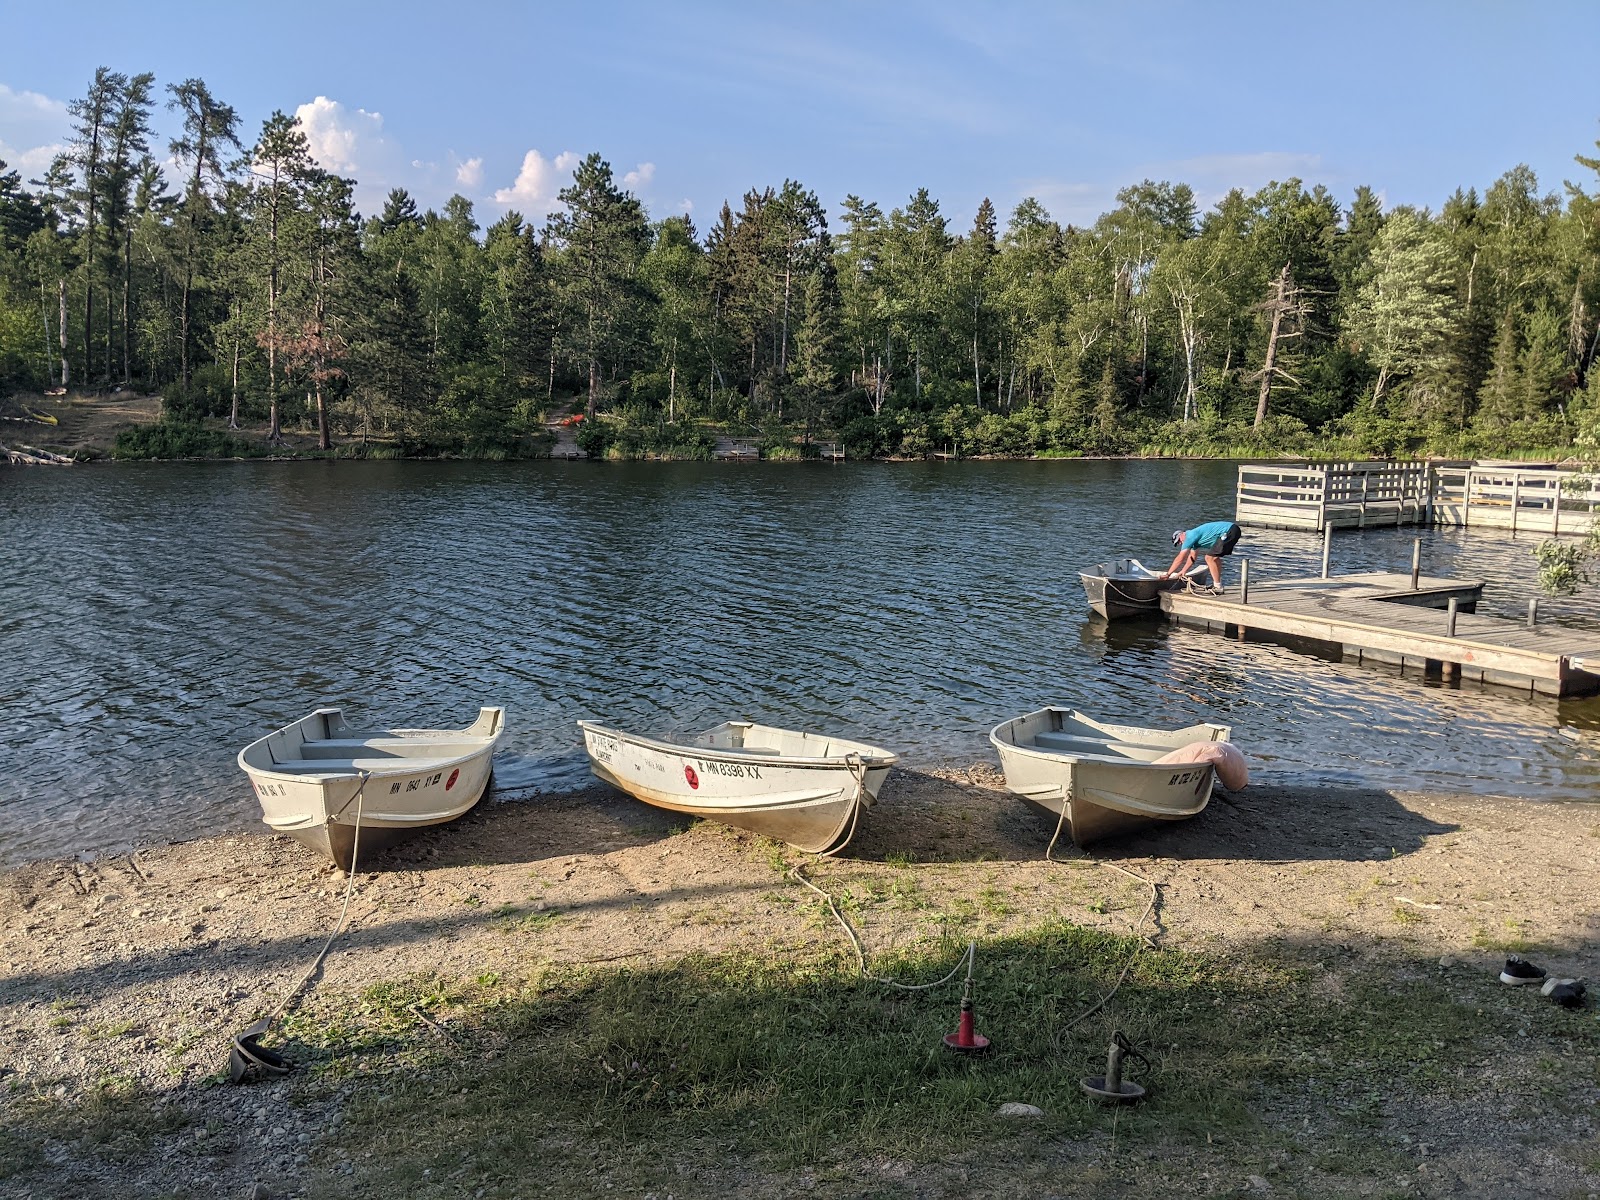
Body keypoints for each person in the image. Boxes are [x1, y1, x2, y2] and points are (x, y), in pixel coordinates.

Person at [1161, 520, 1242, 593]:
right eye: (1178, 543)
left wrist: (1168, 574)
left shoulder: (1189, 536)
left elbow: (1180, 558)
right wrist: (1183, 571)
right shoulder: (1193, 541)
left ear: (1182, 535)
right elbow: (1192, 557)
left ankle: (1217, 587)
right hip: (1232, 530)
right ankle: (1217, 584)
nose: (1180, 543)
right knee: (1214, 558)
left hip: (1229, 530)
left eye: (1179, 541)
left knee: (1209, 558)